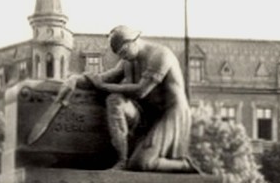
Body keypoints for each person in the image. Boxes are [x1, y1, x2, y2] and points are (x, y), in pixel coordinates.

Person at [72, 25, 199, 173]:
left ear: (132, 41)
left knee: (142, 163)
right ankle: (122, 160)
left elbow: (141, 91)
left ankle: (184, 165)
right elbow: (106, 78)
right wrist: (75, 79)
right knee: (114, 99)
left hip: (170, 114)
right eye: (120, 54)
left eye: (124, 52)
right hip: (146, 116)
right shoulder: (129, 60)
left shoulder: (160, 55)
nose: (123, 57)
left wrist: (104, 87)